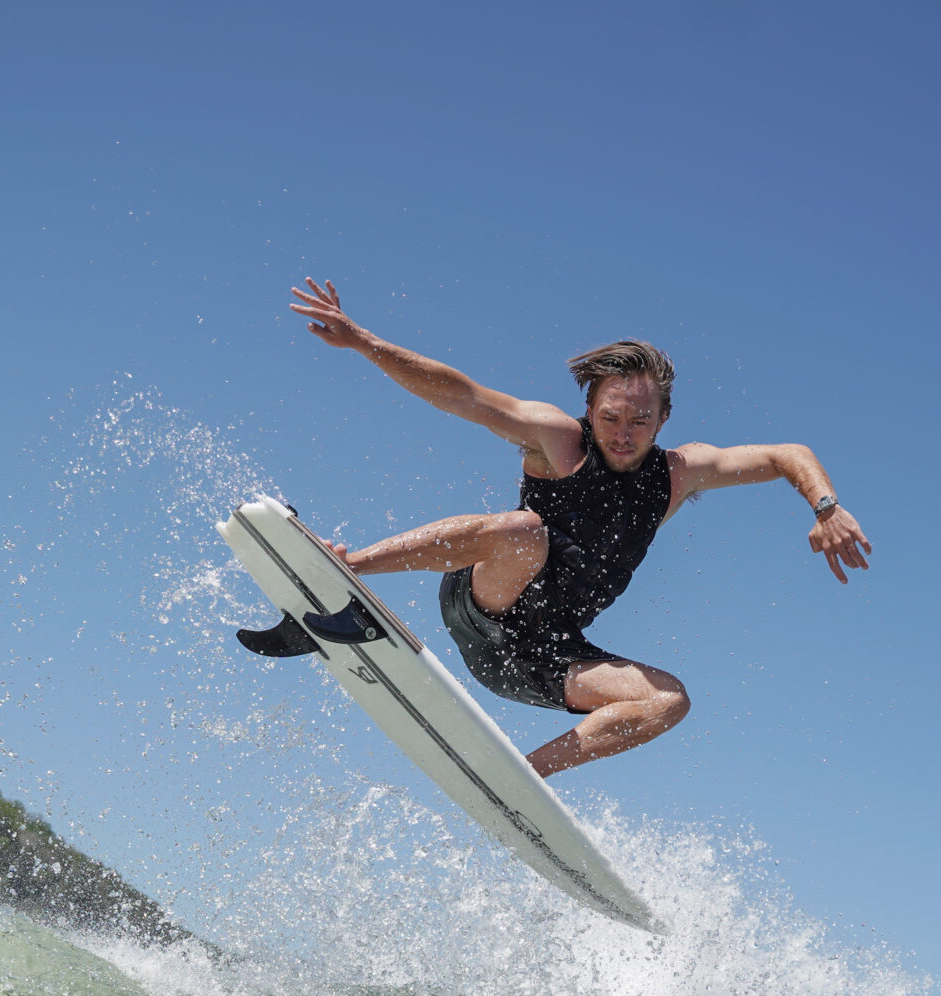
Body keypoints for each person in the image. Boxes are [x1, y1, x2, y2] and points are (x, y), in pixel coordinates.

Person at [240, 279, 872, 779]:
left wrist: (825, 507)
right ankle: (345, 572)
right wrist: (365, 343)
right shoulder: (556, 440)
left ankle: (522, 778)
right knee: (524, 531)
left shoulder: (679, 474)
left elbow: (785, 452)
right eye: (611, 416)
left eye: (640, 421)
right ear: (590, 409)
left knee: (668, 702)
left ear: (664, 418)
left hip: (540, 658)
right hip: (485, 602)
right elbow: (461, 396)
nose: (624, 433)